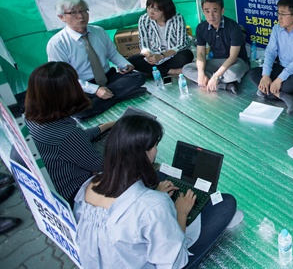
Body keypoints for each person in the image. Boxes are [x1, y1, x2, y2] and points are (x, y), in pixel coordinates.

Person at [74, 115, 237, 268]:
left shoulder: (90, 186)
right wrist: (180, 212)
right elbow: (174, 262)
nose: (156, 151)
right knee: (227, 203)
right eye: (154, 146)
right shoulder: (153, 205)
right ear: (143, 154)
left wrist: (155, 195)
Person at [23, 62, 114, 207]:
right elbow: (101, 164)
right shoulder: (66, 135)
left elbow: (75, 142)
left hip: (47, 190)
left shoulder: (30, 119)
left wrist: (105, 126)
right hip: (71, 195)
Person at [47, 0, 147, 119]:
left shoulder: (99, 31)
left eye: (83, 10)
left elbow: (112, 53)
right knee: (77, 110)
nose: (81, 16)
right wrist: (95, 90)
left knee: (138, 76)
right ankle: (121, 94)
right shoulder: (57, 44)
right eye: (73, 12)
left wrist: (125, 65)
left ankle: (103, 99)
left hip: (108, 77)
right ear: (61, 17)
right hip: (82, 86)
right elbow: (65, 79)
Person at [247, 0, 293, 114]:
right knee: (253, 73)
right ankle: (283, 95)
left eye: (283, 14)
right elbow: (270, 52)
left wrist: (279, 79)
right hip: (282, 67)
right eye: (278, 13)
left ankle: (268, 91)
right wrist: (266, 76)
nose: (279, 17)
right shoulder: (277, 29)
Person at [182, 0, 249, 94]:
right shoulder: (201, 28)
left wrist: (216, 76)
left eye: (215, 11)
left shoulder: (233, 27)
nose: (211, 15)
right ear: (203, 11)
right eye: (207, 11)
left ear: (222, 11)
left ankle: (215, 80)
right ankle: (224, 85)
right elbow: (200, 54)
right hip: (217, 61)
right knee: (186, 69)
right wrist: (200, 73)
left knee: (233, 74)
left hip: (236, 62)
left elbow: (233, 57)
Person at [127, 0, 193, 77]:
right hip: (154, 53)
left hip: (173, 54)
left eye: (156, 10)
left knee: (185, 57)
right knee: (130, 62)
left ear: (166, 10)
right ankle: (172, 71)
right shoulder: (143, 19)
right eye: (149, 8)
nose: (151, 12)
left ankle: (153, 71)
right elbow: (144, 44)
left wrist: (162, 56)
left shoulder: (177, 18)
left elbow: (181, 44)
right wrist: (149, 55)